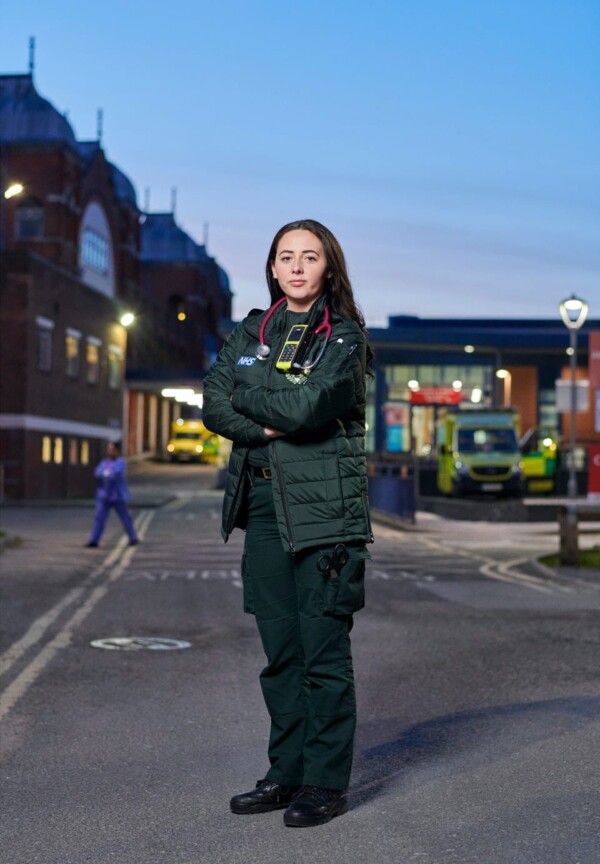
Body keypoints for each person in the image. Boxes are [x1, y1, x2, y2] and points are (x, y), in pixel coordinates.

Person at [203, 219, 373, 828]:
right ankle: (286, 773)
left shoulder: (345, 337)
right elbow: (212, 405)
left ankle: (325, 784)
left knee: (323, 655)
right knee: (281, 656)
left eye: (311, 256)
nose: (297, 267)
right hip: (264, 513)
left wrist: (256, 398)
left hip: (327, 516)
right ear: (273, 268)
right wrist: (271, 418)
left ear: (329, 267)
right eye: (286, 257)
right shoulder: (250, 330)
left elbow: (308, 406)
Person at [85, 441, 138, 547]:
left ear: (117, 451)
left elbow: (115, 474)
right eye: (108, 450)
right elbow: (97, 473)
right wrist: (106, 473)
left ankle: (133, 537)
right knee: (99, 518)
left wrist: (106, 473)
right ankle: (94, 540)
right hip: (104, 496)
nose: (109, 452)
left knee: (125, 517)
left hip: (118, 496)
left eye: (112, 449)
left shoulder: (121, 462)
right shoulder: (104, 462)